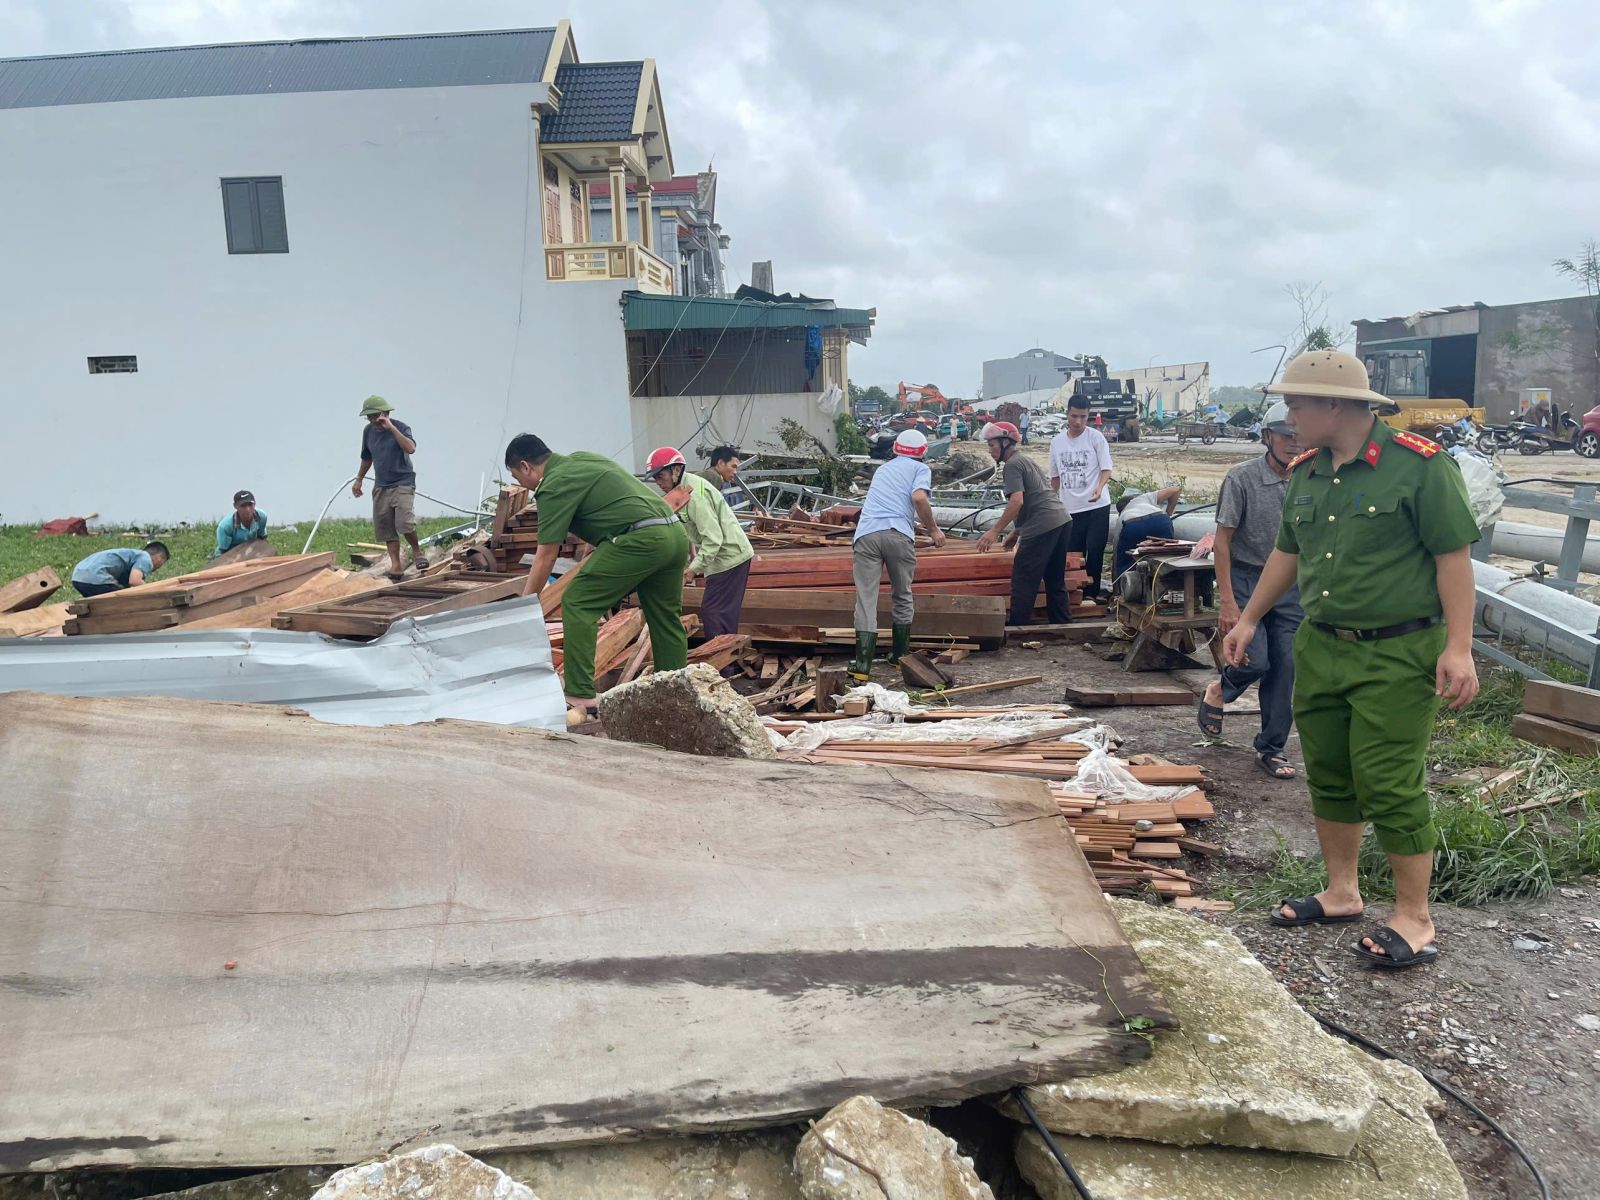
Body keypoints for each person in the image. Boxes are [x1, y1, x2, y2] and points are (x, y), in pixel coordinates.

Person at [1223, 350, 1480, 971]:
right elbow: (1288, 552)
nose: (1288, 416)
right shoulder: (1308, 472)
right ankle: (1342, 892)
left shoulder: (1419, 468)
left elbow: (1454, 559)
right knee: (1332, 772)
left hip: (1396, 652)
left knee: (1389, 782)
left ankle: (1415, 919)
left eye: (1296, 403)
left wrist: (1459, 647)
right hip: (1323, 645)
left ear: (1334, 405)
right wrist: (1250, 617)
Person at [505, 434, 690, 714]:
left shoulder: (553, 485)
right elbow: (615, 502)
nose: (521, 485)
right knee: (665, 617)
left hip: (641, 540)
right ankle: (676, 696)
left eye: (517, 476)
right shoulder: (584, 460)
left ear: (526, 466)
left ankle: (579, 695)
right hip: (674, 534)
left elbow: (545, 556)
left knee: (578, 601)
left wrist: (525, 607)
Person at [1199, 400, 1304, 780]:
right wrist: (1227, 601)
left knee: (1285, 665)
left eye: (1298, 436)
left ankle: (1271, 748)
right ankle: (1219, 691)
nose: (1293, 443)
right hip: (1246, 578)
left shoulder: (1309, 478)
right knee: (1255, 659)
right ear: (1266, 437)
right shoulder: (1241, 479)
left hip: (1291, 586)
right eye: (1284, 436)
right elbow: (1222, 543)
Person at [848, 429, 946, 679]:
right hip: (898, 535)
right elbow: (919, 498)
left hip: (867, 534)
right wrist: (933, 530)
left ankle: (862, 666)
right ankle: (900, 657)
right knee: (902, 594)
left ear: (896, 449)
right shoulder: (921, 469)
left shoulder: (883, 469)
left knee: (866, 599)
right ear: (923, 452)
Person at [645, 446, 754, 638]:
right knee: (722, 614)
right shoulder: (682, 490)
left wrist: (693, 569)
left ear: (676, 471)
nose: (658, 483)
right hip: (724, 558)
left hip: (729, 557)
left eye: (661, 476)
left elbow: (713, 539)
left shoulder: (694, 495)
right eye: (655, 478)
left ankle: (723, 664)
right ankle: (728, 661)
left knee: (713, 612)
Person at [976, 421, 1072, 625]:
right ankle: (1063, 626)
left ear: (1005, 442)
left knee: (1023, 580)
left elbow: (1017, 501)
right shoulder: (1025, 460)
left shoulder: (1011, 466)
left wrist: (994, 531)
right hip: (1061, 520)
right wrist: (1017, 531)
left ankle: (1018, 628)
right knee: (1055, 579)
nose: (989, 450)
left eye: (992, 445)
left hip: (1042, 525)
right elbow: (1035, 496)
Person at [1049, 395, 1114, 600]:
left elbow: (1106, 469)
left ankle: (1091, 594)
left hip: (1097, 505)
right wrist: (1052, 503)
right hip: (1071, 507)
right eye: (1074, 416)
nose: (1078, 422)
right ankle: (1074, 592)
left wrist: (1099, 488)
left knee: (1095, 550)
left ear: (1089, 417)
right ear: (1067, 414)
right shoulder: (1057, 443)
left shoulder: (1095, 438)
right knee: (1073, 553)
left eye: (1083, 417)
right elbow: (1055, 478)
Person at [352, 395, 422, 580]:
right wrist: (359, 479)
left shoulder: (401, 427)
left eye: (376, 416)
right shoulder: (368, 432)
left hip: (403, 482)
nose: (374, 421)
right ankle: (396, 565)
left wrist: (390, 428)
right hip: (381, 484)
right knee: (385, 527)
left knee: (405, 523)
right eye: (370, 417)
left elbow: (411, 448)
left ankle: (417, 552)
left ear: (386, 413)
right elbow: (367, 457)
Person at [1110, 485, 1182, 583]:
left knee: (1125, 559)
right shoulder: (1144, 498)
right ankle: (1169, 586)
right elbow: (1176, 489)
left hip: (1133, 524)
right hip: (1161, 520)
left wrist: (1115, 586)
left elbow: (1116, 556)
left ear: (1120, 511)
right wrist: (1168, 514)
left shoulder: (1122, 516)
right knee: (1166, 556)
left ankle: (1125, 589)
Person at [71, 541, 169, 598]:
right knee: (125, 599)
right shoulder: (145, 557)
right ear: (160, 558)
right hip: (96, 577)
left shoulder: (130, 555)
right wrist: (157, 593)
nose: (158, 568)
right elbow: (134, 581)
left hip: (77, 578)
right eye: (162, 563)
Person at [213, 489, 269, 558]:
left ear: (255, 504)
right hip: (230, 554)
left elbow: (262, 538)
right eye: (243, 506)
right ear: (235, 506)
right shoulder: (225, 527)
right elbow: (223, 551)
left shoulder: (262, 516)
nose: (247, 509)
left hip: (251, 549)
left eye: (250, 504)